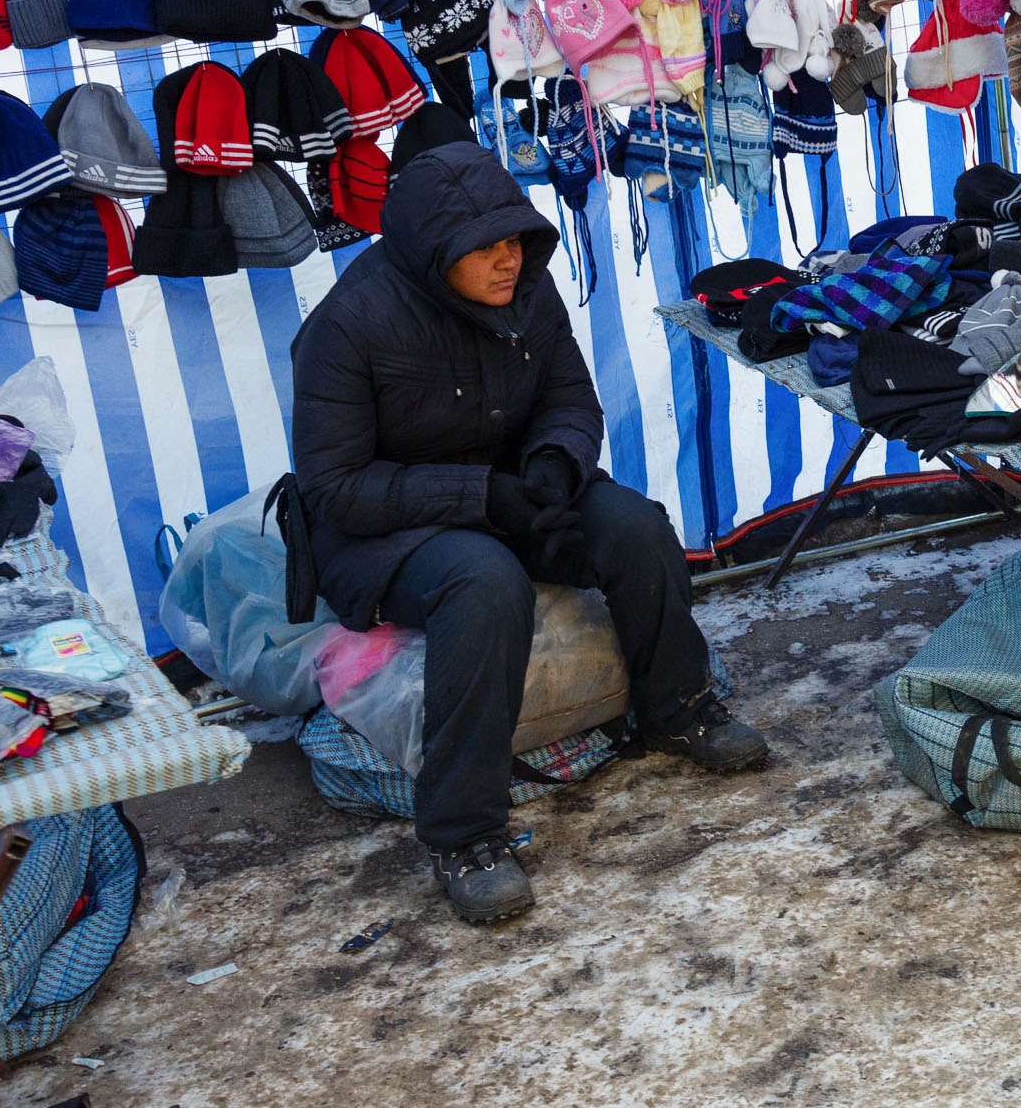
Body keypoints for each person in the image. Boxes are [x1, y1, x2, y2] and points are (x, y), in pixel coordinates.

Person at [290, 142, 766, 924]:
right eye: (486, 247)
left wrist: (551, 463)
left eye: (514, 237)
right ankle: (463, 833)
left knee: (635, 527)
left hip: (514, 489)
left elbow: (573, 401)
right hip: (389, 530)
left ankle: (677, 707)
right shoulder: (349, 325)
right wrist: (482, 494)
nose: (508, 258)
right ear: (434, 253)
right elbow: (335, 488)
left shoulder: (528, 290)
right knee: (484, 582)